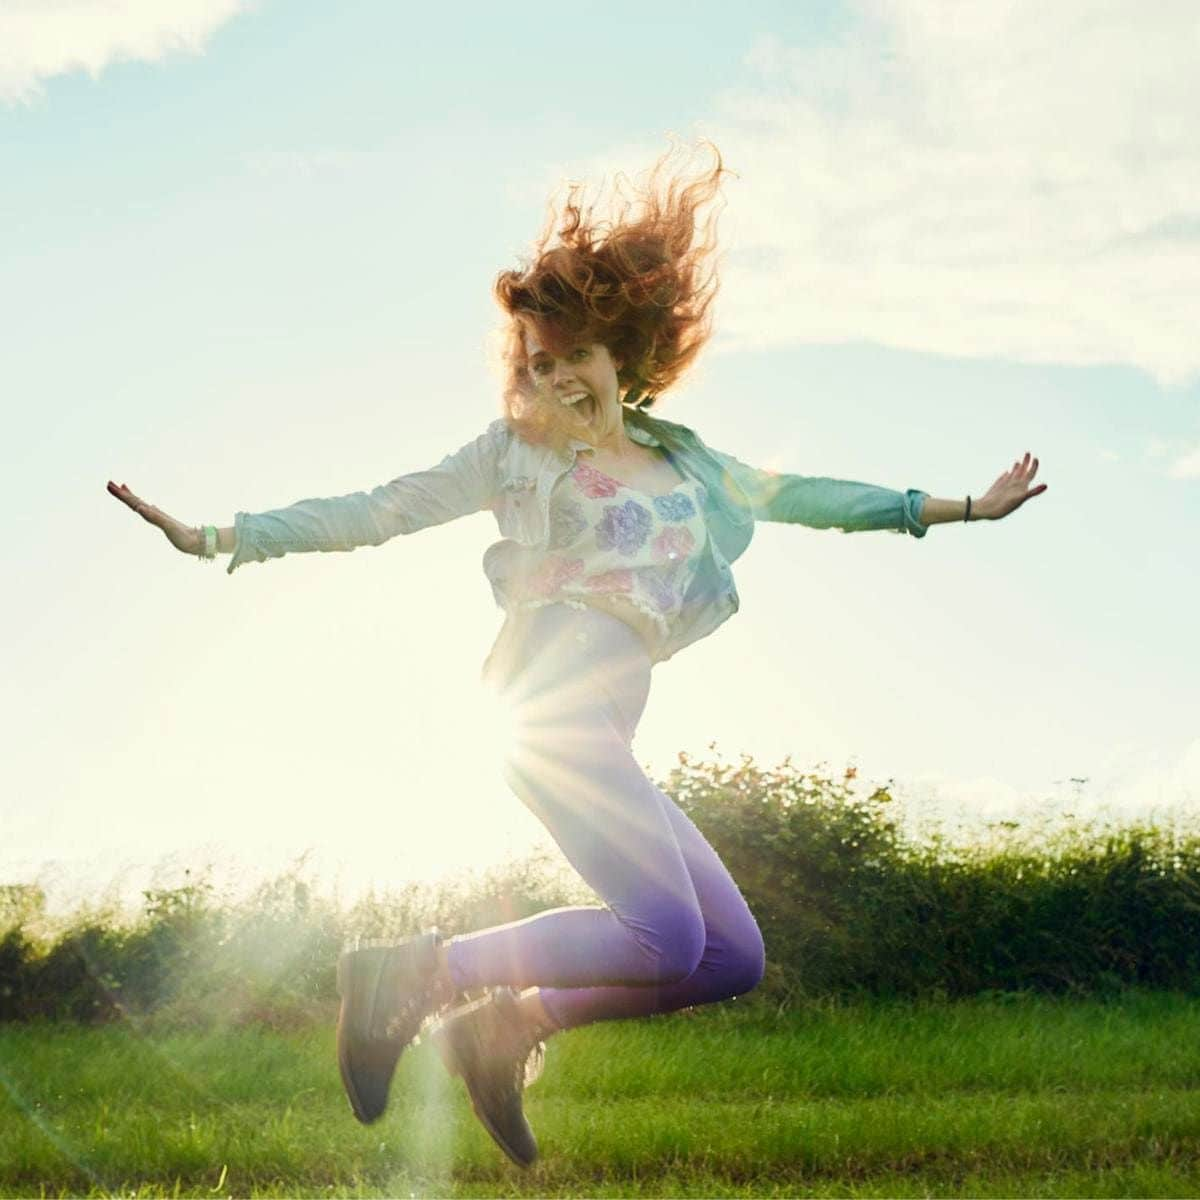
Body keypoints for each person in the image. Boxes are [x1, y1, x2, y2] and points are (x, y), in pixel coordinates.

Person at [106, 142, 1047, 1167]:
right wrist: (219, 535)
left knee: (729, 957)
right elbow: (376, 510)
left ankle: (507, 1024)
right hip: (544, 705)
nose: (557, 377)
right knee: (668, 939)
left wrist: (954, 509)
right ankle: (415, 974)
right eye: (538, 363)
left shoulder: (688, 462)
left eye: (573, 356)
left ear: (622, 353)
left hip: (608, 724)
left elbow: (809, 496)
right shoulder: (513, 457)